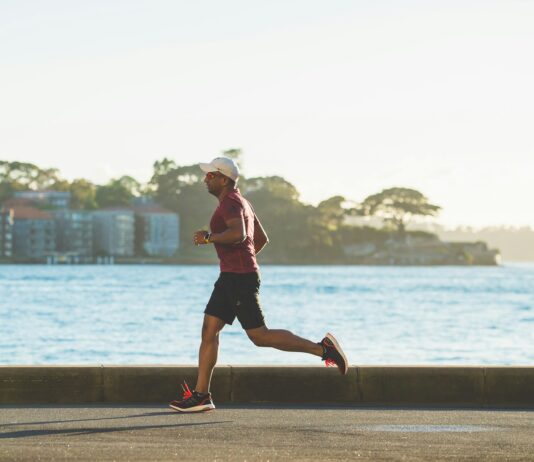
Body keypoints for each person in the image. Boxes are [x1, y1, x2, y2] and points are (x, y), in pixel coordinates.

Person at [169, 157, 348, 413]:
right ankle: (201, 395)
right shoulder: (243, 202)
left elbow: (240, 235)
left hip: (238, 278)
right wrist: (243, 260)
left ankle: (323, 349)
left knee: (259, 336)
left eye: (210, 175)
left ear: (223, 178)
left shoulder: (231, 202)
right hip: (233, 276)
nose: (205, 179)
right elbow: (260, 239)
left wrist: (210, 238)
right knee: (210, 330)